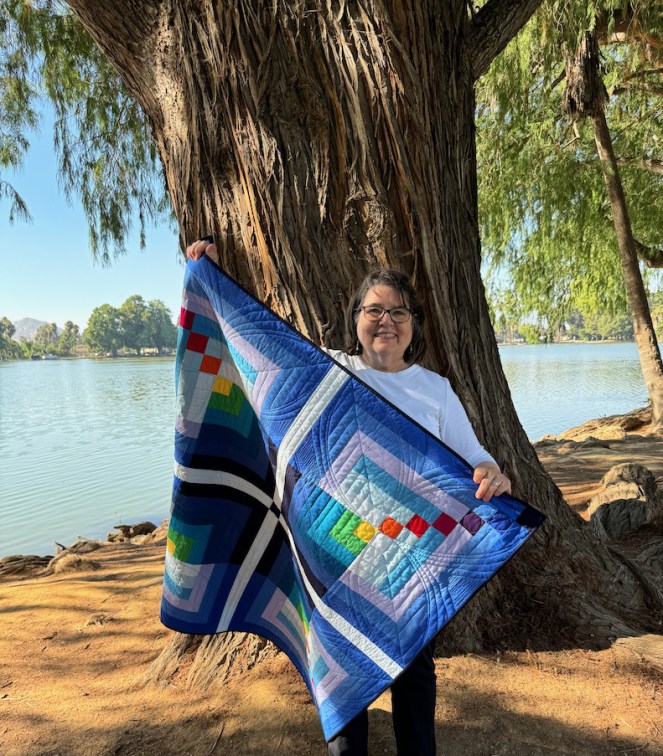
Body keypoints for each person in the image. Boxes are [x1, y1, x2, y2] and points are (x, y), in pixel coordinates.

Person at [186, 239, 512, 755]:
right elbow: (254, 354)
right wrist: (212, 278)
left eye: (398, 312)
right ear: (355, 318)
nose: (386, 321)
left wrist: (490, 472)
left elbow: (474, 455)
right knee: (340, 675)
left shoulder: (435, 390)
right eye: (373, 310)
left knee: (414, 671)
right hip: (335, 555)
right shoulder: (329, 372)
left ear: (414, 324)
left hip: (407, 556)